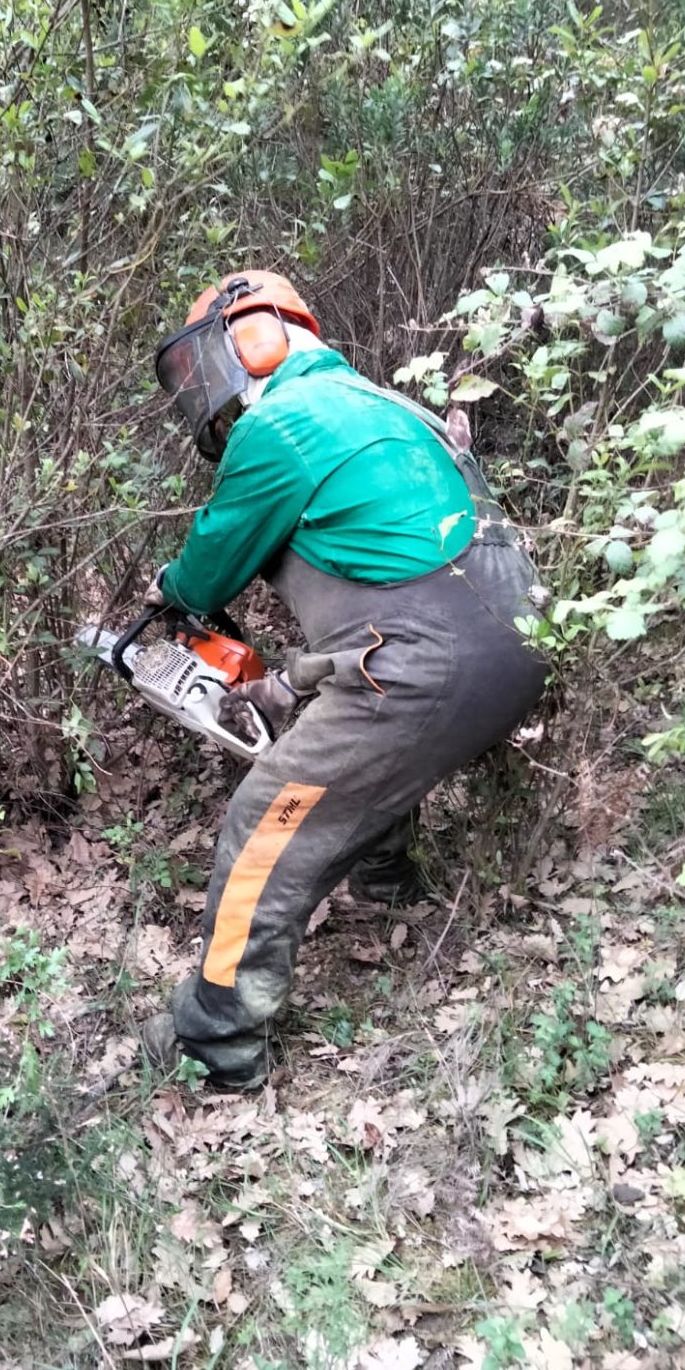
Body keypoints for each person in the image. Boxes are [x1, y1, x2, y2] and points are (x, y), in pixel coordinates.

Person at [138, 270, 548, 1090]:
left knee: (262, 825)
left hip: (428, 665)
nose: (207, 395)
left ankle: (215, 1042)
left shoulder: (283, 424)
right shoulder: (395, 407)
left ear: (249, 339)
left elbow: (209, 568)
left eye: (205, 366)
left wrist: (167, 594)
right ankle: (388, 878)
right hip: (521, 644)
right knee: (360, 729)